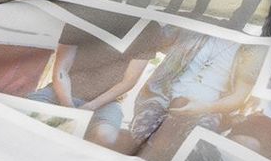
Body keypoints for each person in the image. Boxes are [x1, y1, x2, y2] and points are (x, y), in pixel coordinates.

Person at [28, 13, 176, 151]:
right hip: (58, 93)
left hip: (106, 103)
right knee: (28, 116)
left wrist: (91, 106)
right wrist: (68, 107)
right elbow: (61, 70)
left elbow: (129, 81)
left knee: (105, 137)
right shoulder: (82, 14)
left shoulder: (149, 28)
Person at [121, 32, 264, 161]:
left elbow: (239, 97)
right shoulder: (198, 30)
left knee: (191, 149)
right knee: (146, 136)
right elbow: (157, 38)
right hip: (162, 100)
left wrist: (205, 107)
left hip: (209, 109)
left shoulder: (252, 49)